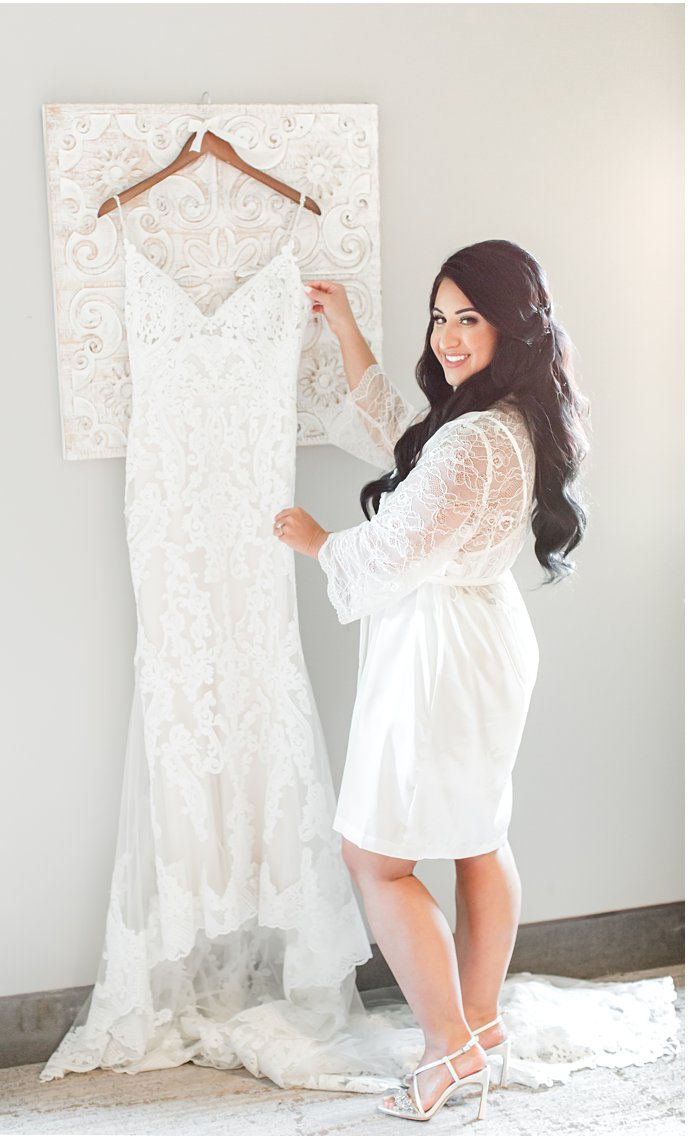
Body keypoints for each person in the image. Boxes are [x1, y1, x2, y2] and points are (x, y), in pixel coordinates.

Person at [272, 240, 589, 1122]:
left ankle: (448, 1045)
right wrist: (347, 331)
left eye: (469, 318)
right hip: (479, 636)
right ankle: (480, 1027)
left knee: (376, 855)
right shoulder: (506, 415)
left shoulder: (477, 438)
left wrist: (315, 541)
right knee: (479, 832)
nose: (449, 335)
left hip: (439, 649)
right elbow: (403, 434)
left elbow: (394, 547)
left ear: (510, 325)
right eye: (440, 315)